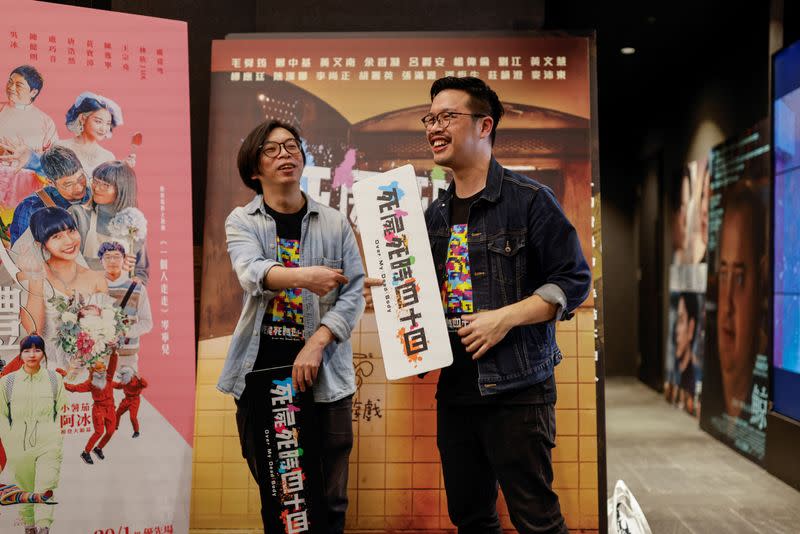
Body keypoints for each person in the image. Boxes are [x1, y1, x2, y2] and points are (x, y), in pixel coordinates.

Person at [420, 77, 591, 533]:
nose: (435, 127)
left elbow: (573, 280)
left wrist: (505, 318)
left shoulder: (530, 200)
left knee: (535, 518)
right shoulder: (434, 215)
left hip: (517, 388)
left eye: (447, 117)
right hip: (455, 388)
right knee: (471, 517)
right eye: (430, 118)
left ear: (484, 125)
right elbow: (428, 296)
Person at [218, 119, 365, 533]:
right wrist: (306, 277)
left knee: (330, 499)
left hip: (325, 378)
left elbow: (353, 293)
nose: (285, 154)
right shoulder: (242, 221)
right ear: (254, 169)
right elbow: (252, 273)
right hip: (263, 377)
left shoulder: (335, 222)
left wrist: (318, 341)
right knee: (280, 495)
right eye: (271, 149)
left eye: (291, 146)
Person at [17, 207, 108, 370]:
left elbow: (109, 330)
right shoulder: (33, 277)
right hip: (50, 369)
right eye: (56, 236)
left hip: (92, 368)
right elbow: (33, 331)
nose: (69, 241)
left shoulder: (97, 279)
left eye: (71, 231)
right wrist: (36, 278)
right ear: (41, 244)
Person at [0, 334, 65, 534]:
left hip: (48, 443)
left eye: (37, 350)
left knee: (45, 483)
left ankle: (44, 526)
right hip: (18, 445)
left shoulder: (55, 379)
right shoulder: (7, 382)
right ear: (20, 354)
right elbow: (2, 414)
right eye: (27, 350)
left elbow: (61, 409)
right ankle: (29, 527)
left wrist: (55, 440)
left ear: (44, 354)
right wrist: (10, 441)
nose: (32, 354)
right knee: (25, 487)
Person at [715, 180, 767, 418]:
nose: (727, 305)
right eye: (723, 275)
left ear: (762, 277)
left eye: (739, 279)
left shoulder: (766, 383)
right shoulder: (710, 380)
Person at [70, 162, 149, 283]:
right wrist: (113, 265)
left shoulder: (134, 223)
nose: (96, 188)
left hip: (120, 298)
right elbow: (67, 263)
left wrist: (134, 281)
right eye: (95, 181)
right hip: (84, 296)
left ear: (122, 190)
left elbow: (141, 272)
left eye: (105, 185)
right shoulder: (78, 215)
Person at [0, 65, 58, 222]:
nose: (11, 87)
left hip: (26, 187)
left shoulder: (45, 121)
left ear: (33, 92)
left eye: (18, 85)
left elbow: (54, 160)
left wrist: (31, 158)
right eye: (10, 82)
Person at [9, 145, 90, 245]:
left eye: (81, 178)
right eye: (68, 184)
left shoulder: (97, 192)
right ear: (50, 182)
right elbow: (22, 254)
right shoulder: (31, 208)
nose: (79, 188)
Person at [97, 240, 152, 372]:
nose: (112, 261)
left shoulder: (138, 288)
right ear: (100, 261)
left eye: (117, 256)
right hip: (98, 356)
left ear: (124, 259)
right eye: (107, 257)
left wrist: (124, 332)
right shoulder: (94, 286)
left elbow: (147, 323)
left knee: (128, 390)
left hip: (127, 357)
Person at [57, 351, 119, 465]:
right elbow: (74, 388)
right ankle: (86, 452)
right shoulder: (90, 384)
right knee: (99, 432)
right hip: (99, 409)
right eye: (98, 371)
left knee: (110, 431)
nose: (101, 373)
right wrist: (61, 382)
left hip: (110, 408)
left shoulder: (108, 378)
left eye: (103, 370)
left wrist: (114, 352)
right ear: (93, 373)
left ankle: (98, 448)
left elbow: (113, 365)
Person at [57, 92, 133, 176]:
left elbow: (108, 186)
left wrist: (122, 168)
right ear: (83, 118)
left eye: (108, 123)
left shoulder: (108, 157)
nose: (103, 129)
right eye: (98, 121)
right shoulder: (61, 147)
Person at [672, 293, 699, 414]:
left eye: (681, 320)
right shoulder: (676, 371)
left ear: (691, 328)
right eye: (677, 321)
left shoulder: (695, 376)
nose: (676, 330)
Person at [113, 365, 147, 438]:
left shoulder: (136, 381)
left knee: (132, 417)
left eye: (122, 375)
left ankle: (136, 431)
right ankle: (115, 426)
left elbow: (145, 385)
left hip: (134, 400)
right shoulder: (125, 381)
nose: (121, 376)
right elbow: (118, 386)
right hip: (126, 399)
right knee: (117, 413)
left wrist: (140, 378)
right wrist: (109, 383)